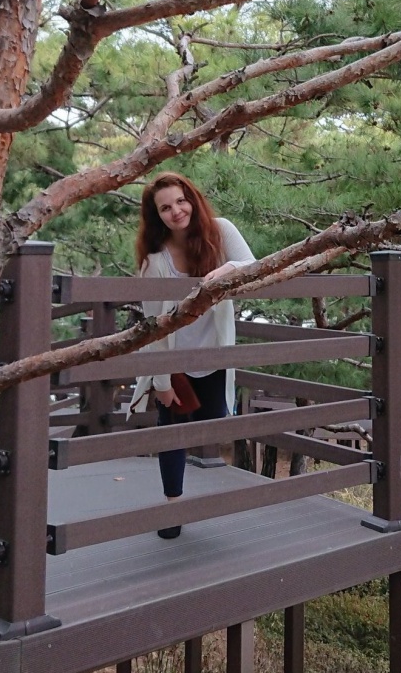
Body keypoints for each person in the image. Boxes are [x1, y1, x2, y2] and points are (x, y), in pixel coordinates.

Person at [128, 172, 255, 539]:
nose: (176, 211)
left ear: (192, 200)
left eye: (181, 201)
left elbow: (252, 264)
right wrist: (162, 380)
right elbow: (153, 327)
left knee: (213, 421)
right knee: (172, 430)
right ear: (156, 216)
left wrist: (223, 271)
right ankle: (173, 508)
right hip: (174, 358)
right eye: (165, 208)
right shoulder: (154, 261)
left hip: (213, 352)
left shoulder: (220, 231)